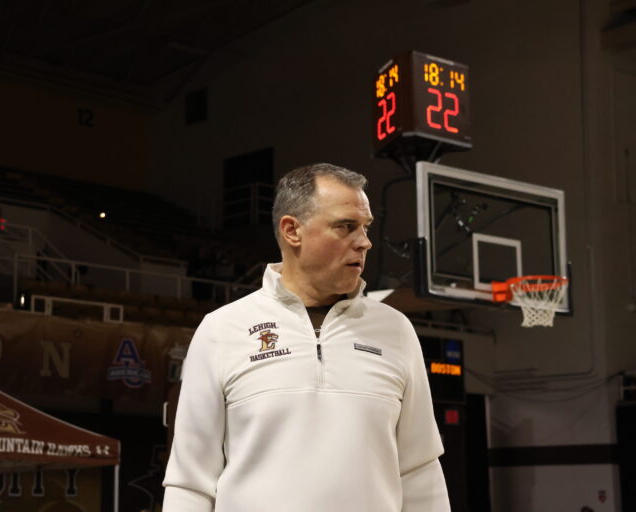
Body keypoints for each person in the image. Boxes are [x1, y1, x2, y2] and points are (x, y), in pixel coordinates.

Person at [163, 163, 450, 511]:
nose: (364, 242)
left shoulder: (396, 330)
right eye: (346, 226)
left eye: (365, 227)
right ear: (292, 231)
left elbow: (420, 471)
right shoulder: (221, 330)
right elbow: (190, 482)